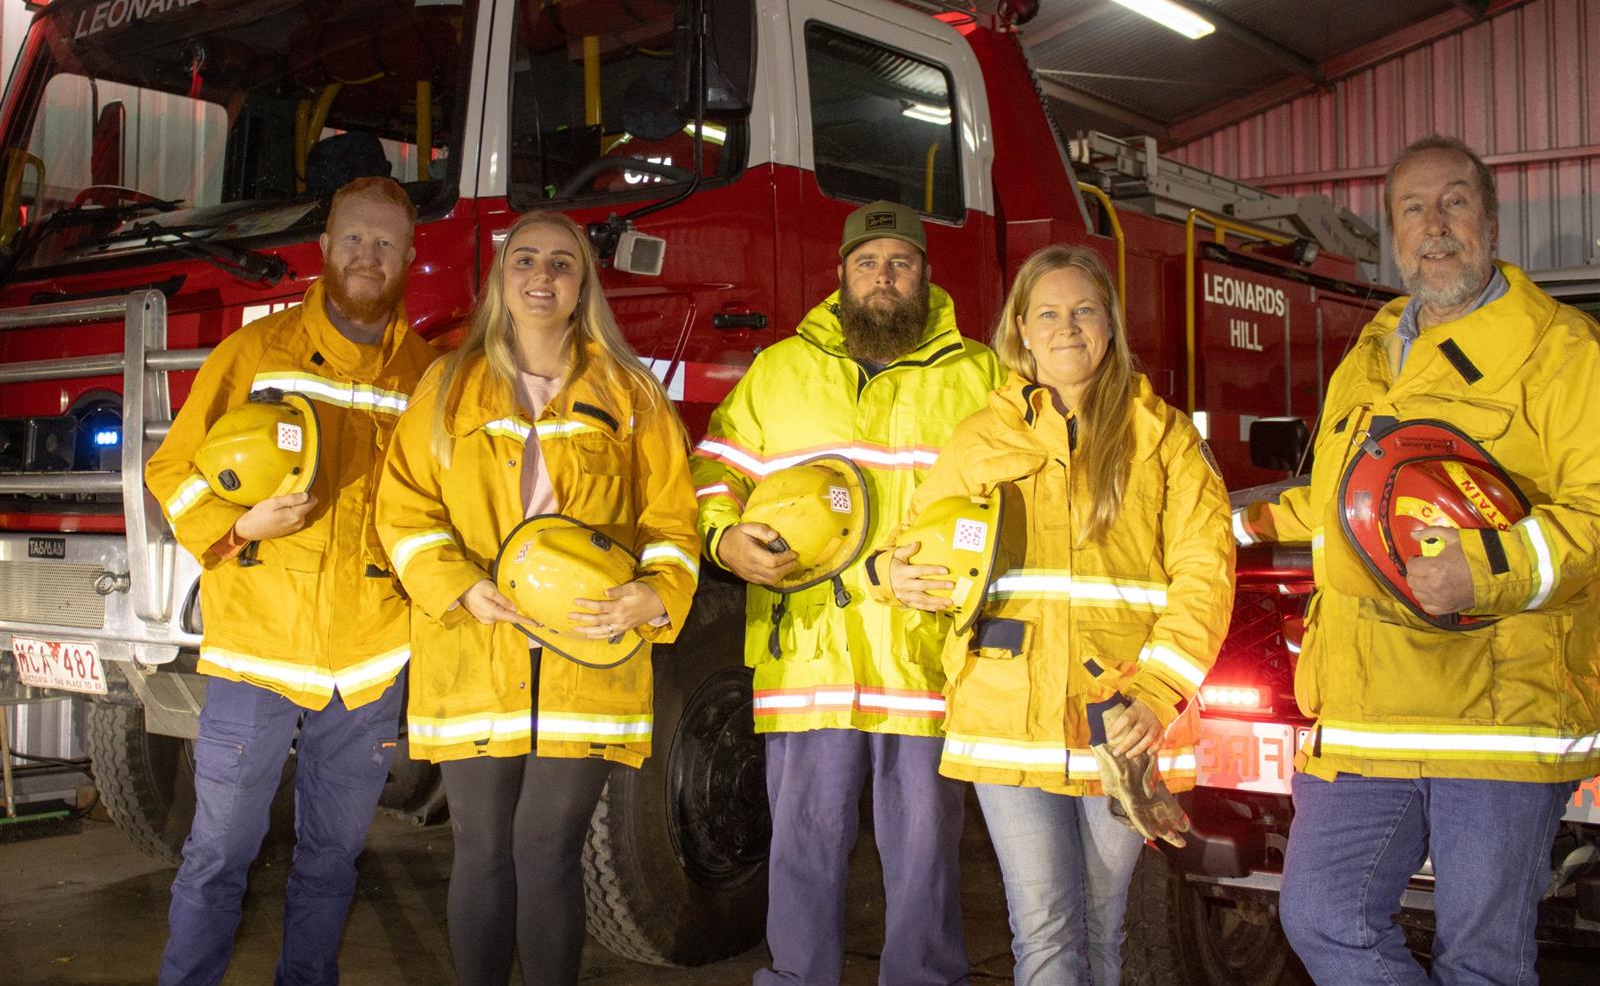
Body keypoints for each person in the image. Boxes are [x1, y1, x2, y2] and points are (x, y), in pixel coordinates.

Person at [1235, 135, 1600, 984]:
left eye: (1455, 203)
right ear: (1392, 234)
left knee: (1482, 958)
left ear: (1492, 221)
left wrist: (1491, 565)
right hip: (1369, 713)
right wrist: (1237, 526)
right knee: (1322, 914)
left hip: (1499, 722)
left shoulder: (1565, 353)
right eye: (1413, 208)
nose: (1435, 226)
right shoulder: (1371, 353)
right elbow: (1354, 500)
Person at [870, 244, 1234, 985]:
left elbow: (1206, 574)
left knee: (1102, 932)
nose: (1067, 328)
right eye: (1048, 313)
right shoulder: (981, 435)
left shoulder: (1163, 437)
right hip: (1009, 714)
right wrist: (890, 573)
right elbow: (917, 543)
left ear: (1109, 327)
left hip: (1122, 715)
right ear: (1021, 332)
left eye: (1084, 311)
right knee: (1044, 932)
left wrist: (1158, 693)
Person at [374, 210, 698, 986]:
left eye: (560, 262)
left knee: (546, 847)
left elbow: (675, 518)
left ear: (583, 280)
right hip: (475, 648)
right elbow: (404, 509)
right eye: (525, 260)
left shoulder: (631, 393)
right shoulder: (446, 385)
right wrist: (460, 584)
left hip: (589, 661)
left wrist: (652, 594)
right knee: (482, 847)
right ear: (501, 278)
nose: (542, 276)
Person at [692, 200, 1001, 986]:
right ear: (840, 275)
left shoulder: (980, 374)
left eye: (900, 262)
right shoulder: (779, 371)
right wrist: (722, 537)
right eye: (867, 262)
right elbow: (713, 470)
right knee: (802, 845)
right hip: (809, 656)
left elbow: (1012, 502)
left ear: (927, 277)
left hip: (926, 657)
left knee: (928, 858)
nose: (883, 276)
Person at [147, 176, 437, 985]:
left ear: (410, 256)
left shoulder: (428, 374)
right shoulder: (255, 353)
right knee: (217, 854)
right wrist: (239, 526)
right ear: (325, 249)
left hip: (370, 661)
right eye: (353, 239)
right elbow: (173, 472)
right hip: (259, 655)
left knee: (333, 858)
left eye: (385, 242)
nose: (368, 255)